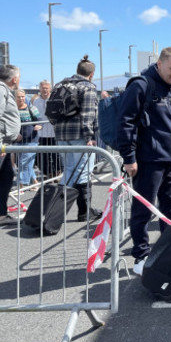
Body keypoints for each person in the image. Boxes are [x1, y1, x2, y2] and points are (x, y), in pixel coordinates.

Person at [117, 47, 171, 275]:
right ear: (159, 64)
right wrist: (129, 157)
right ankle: (141, 255)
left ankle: (166, 252)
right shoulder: (141, 85)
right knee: (143, 211)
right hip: (147, 161)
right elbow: (126, 122)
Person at [53, 56, 103, 223]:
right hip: (80, 136)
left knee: (68, 171)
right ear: (92, 74)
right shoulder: (88, 87)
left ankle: (54, 212)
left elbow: (52, 111)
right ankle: (84, 211)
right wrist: (90, 136)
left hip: (61, 135)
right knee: (83, 172)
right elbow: (88, 114)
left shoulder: (60, 85)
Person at [0, 64, 21, 224]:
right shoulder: (0, 90)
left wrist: (13, 132)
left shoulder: (1, 90)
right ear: (14, 79)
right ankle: (0, 215)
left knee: (4, 176)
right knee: (2, 177)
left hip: (3, 142)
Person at [31, 80, 61, 181]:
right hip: (41, 134)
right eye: (43, 88)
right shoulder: (36, 101)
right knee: (42, 155)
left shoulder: (54, 100)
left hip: (53, 133)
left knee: (55, 154)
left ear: (50, 89)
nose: (45, 90)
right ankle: (48, 173)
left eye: (46, 88)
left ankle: (57, 173)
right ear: (40, 89)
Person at [15, 89, 41, 189]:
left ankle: (21, 185)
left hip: (31, 141)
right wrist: (15, 134)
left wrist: (39, 125)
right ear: (15, 98)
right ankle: (35, 182)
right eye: (19, 96)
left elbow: (39, 120)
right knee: (27, 163)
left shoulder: (31, 108)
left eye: (23, 96)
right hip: (18, 141)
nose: (21, 98)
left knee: (24, 162)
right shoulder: (13, 110)